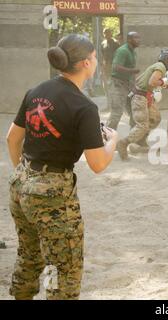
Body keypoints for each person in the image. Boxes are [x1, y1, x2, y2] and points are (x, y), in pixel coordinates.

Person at [6, 34, 118, 299]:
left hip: (21, 184)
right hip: (52, 195)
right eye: (93, 57)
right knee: (63, 267)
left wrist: (26, 175)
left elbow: (12, 138)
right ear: (87, 63)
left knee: (29, 256)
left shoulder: (36, 91)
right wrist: (113, 141)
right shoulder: (84, 106)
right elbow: (98, 163)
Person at [116, 49, 168, 160]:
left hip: (144, 96)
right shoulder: (161, 67)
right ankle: (123, 143)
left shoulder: (157, 65)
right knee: (142, 125)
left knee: (155, 118)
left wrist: (161, 85)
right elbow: (152, 82)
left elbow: (147, 82)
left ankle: (140, 139)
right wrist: (164, 81)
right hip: (140, 97)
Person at [106, 31, 141, 130]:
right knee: (116, 113)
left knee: (135, 111)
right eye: (136, 38)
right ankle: (106, 138)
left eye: (139, 38)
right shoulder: (123, 51)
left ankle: (134, 137)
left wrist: (134, 86)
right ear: (129, 39)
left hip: (128, 85)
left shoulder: (133, 51)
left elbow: (131, 72)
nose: (139, 40)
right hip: (118, 85)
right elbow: (116, 67)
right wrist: (132, 71)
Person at [101, 28, 119, 109]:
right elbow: (102, 56)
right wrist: (102, 67)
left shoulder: (116, 43)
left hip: (113, 67)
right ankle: (108, 105)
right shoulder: (103, 44)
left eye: (107, 33)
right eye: (104, 33)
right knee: (105, 86)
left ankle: (114, 105)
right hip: (105, 67)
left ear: (111, 33)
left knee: (113, 86)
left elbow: (118, 56)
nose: (106, 35)